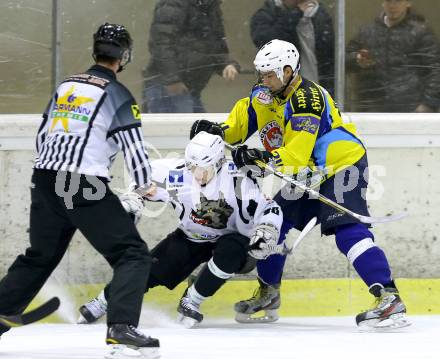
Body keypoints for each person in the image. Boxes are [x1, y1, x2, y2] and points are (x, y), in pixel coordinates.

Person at [190, 39, 410, 329]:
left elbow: (295, 155)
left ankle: (389, 298)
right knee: (270, 229)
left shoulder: (307, 100)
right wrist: (219, 132)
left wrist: (259, 157)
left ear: (287, 70)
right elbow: (244, 121)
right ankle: (269, 293)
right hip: (308, 173)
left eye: (270, 74)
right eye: (262, 74)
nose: (264, 80)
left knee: (345, 231)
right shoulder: (265, 91)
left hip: (340, 166)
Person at [0, 23, 160, 357]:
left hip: (44, 179)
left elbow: (43, 134)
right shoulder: (118, 94)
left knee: (39, 257)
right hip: (80, 185)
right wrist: (147, 187)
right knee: (132, 254)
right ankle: (121, 328)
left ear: (96, 50)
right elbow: (134, 148)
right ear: (124, 56)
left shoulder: (67, 84)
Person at [77, 132, 283, 328]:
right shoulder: (178, 173)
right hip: (191, 237)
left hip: (232, 242)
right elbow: (143, 175)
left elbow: (270, 208)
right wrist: (135, 195)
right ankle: (102, 301)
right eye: (193, 167)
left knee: (231, 249)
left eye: (204, 168)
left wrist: (268, 229)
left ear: (219, 163)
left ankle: (192, 300)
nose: (198, 174)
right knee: (148, 269)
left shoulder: (238, 180)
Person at [142, 0, 240, 113]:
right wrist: (172, 80)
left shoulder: (210, 5)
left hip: (188, 86)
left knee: (198, 128)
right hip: (169, 87)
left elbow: (215, 44)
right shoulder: (175, 3)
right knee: (182, 129)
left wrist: (227, 64)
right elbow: (161, 43)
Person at [346, 0, 440, 112]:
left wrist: (427, 104)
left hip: (410, 108)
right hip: (373, 108)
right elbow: (343, 60)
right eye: (389, 1)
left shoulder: (421, 32)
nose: (393, 5)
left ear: (408, 3)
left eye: (398, 1)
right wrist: (357, 59)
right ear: (383, 3)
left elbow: (435, 69)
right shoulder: (367, 31)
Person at [250, 0, 335, 95]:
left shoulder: (319, 14)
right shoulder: (268, 13)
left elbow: (329, 54)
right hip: (279, 88)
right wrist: (294, 15)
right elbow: (265, 42)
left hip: (315, 87)